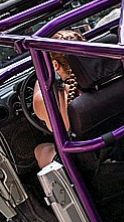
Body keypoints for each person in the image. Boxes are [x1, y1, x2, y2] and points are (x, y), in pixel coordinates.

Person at [32, 29, 86, 168]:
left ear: (55, 65)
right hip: (110, 145)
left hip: (80, 162)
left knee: (40, 150)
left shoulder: (46, 99)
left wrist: (42, 77)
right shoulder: (105, 81)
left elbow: (40, 87)